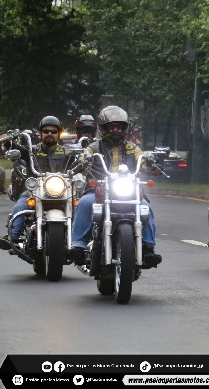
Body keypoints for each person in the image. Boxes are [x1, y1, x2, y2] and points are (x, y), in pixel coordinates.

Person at [68, 105, 162, 268]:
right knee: (84, 203)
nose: (116, 130)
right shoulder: (94, 147)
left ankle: (148, 247)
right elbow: (83, 157)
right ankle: (78, 245)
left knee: (145, 207)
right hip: (99, 190)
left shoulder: (133, 148)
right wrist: (82, 161)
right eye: (112, 127)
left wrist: (151, 166)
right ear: (104, 128)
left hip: (128, 192)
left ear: (124, 128)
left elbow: (143, 162)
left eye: (119, 127)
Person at [0, 116, 74, 250]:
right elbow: (14, 148)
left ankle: (79, 242)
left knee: (79, 208)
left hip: (63, 191)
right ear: (40, 133)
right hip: (35, 191)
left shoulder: (67, 152)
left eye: (53, 131)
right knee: (20, 206)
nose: (49, 134)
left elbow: (81, 159)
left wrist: (85, 158)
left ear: (59, 134)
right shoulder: (31, 151)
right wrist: (7, 140)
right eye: (46, 131)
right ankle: (12, 237)